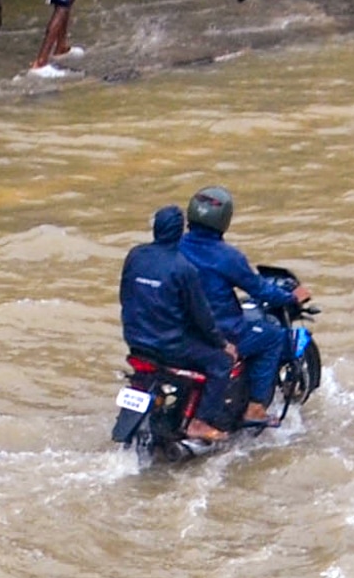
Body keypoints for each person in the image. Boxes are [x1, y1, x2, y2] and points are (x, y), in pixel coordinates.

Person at [118, 206, 244, 440]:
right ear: (179, 232)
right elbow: (201, 316)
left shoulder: (135, 255)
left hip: (135, 341)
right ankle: (200, 422)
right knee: (222, 362)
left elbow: (125, 295)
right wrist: (221, 343)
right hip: (170, 347)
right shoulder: (183, 268)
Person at [174, 187, 293, 425]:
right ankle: (255, 408)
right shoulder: (227, 257)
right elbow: (259, 289)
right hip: (220, 333)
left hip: (178, 333)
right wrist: (291, 297)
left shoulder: (173, 247)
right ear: (224, 220)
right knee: (272, 337)